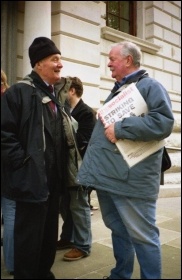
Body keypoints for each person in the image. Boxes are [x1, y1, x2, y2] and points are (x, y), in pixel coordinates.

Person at [76, 41, 174, 279]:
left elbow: (163, 122)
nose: (108, 63)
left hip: (132, 181)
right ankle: (121, 274)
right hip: (111, 178)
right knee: (119, 230)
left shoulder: (149, 85)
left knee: (143, 235)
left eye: (112, 58)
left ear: (128, 60)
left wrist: (120, 127)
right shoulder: (121, 88)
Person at [1, 37, 70, 279]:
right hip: (29, 184)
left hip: (51, 186)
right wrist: (24, 165)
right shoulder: (20, 92)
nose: (60, 64)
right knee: (28, 244)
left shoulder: (55, 97)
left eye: (60, 59)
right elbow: (4, 135)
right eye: (54, 59)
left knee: (48, 238)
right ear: (38, 64)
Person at [55, 76, 96, 260]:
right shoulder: (63, 109)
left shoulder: (86, 112)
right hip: (64, 167)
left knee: (79, 206)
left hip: (79, 168)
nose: (61, 93)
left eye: (64, 90)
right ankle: (68, 238)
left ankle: (83, 245)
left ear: (72, 90)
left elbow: (83, 141)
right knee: (65, 205)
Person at [1, 70, 15, 275]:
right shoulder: (13, 101)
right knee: (11, 214)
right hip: (9, 166)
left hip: (9, 166)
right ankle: (13, 264)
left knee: (11, 214)